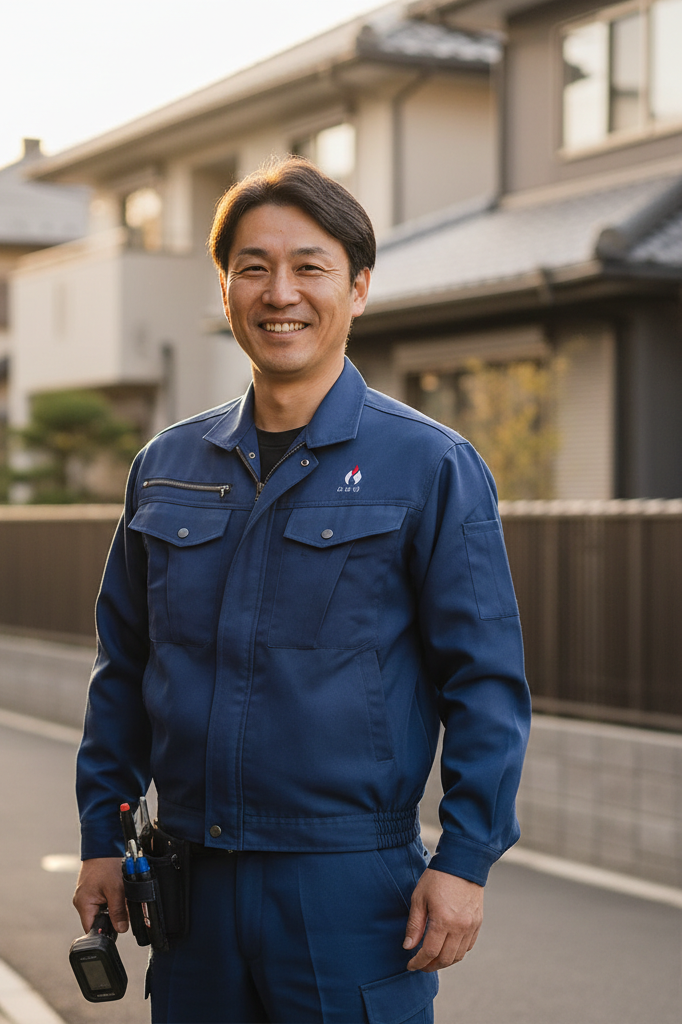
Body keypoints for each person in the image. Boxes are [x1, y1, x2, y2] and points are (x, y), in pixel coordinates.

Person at [73, 156, 530, 1024]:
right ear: (225, 288)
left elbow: (486, 684)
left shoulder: (430, 465)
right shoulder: (167, 467)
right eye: (254, 267)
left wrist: (465, 860)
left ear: (357, 288)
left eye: (309, 267)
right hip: (191, 886)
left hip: (350, 886)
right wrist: (103, 834)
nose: (280, 292)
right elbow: (122, 669)